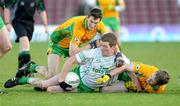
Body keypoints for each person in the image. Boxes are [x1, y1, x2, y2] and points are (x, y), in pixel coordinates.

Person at [4, 33, 130, 93]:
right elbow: (70, 60)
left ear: (114, 47)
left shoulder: (120, 59)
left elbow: (129, 68)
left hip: (85, 87)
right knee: (44, 85)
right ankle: (20, 80)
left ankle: (40, 82)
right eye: (101, 46)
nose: (102, 49)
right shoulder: (94, 52)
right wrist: (62, 80)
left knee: (50, 90)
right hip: (77, 74)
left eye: (105, 47)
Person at [9, 7, 108, 79]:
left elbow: (109, 38)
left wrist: (117, 53)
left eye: (96, 23)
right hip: (57, 44)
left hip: (72, 46)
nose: (93, 25)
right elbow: (72, 53)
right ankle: (31, 67)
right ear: (87, 17)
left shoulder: (99, 25)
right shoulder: (78, 26)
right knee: (51, 75)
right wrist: (92, 45)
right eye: (91, 22)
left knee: (89, 62)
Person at [3, 0, 49, 69]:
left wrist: (45, 25)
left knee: (24, 48)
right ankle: (28, 68)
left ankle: (20, 71)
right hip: (18, 22)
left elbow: (42, 10)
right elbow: (7, 7)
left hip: (30, 24)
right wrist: (7, 23)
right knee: (25, 42)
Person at [99, 62, 170, 93]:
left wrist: (138, 89)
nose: (148, 79)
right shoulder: (147, 70)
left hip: (132, 86)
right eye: (150, 76)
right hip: (130, 74)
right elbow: (125, 66)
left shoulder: (158, 90)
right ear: (154, 73)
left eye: (151, 81)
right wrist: (109, 75)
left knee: (103, 90)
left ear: (157, 85)